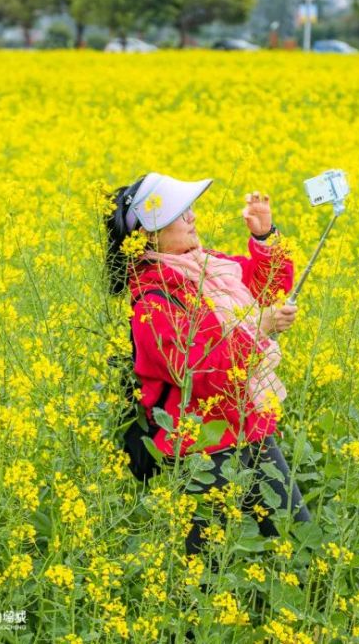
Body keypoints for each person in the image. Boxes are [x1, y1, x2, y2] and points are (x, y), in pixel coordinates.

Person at [104, 171, 312, 556]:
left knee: (297, 542)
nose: (193, 218)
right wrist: (257, 326)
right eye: (181, 214)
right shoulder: (153, 302)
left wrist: (265, 237)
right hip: (201, 447)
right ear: (151, 235)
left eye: (190, 210)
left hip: (249, 426)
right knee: (206, 569)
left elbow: (266, 286)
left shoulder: (209, 266)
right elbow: (199, 371)